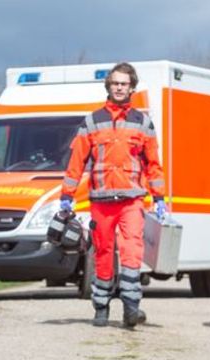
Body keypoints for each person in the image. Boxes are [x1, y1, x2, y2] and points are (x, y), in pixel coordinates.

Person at [61, 62, 166, 328]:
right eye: (115, 83)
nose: (119, 88)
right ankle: (101, 307)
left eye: (124, 84)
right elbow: (76, 161)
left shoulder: (143, 123)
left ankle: (131, 306)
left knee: (132, 251)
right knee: (103, 252)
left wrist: (160, 197)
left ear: (132, 87)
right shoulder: (92, 121)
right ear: (108, 85)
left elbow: (153, 164)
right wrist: (66, 195)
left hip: (132, 200)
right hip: (101, 201)